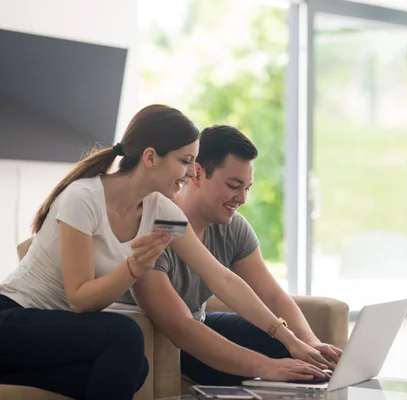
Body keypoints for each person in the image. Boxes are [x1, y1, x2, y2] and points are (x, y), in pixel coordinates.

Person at [0, 106, 324, 400]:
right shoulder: (83, 198)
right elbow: (80, 299)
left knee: (134, 368)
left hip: (58, 330)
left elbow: (220, 277)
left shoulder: (161, 212)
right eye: (185, 161)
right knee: (123, 338)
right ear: (151, 157)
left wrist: (288, 338)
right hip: (12, 317)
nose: (191, 173)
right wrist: (134, 267)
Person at [119, 125, 342, 386]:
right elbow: (180, 327)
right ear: (197, 174)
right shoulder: (155, 226)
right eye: (234, 185)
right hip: (162, 337)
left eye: (247, 187)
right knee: (277, 361)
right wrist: (268, 367)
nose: (243, 198)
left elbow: (270, 294)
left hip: (200, 320)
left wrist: (307, 343)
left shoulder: (233, 227)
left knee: (299, 358)